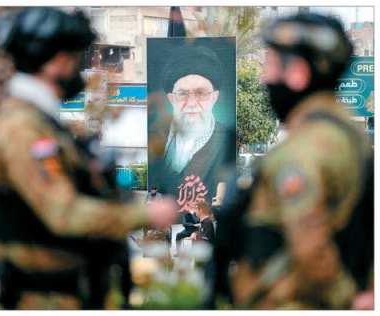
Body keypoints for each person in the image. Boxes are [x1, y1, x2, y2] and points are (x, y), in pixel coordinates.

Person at [0, 7, 176, 309]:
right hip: (42, 298)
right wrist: (147, 215)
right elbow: (64, 214)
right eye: (78, 59)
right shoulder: (22, 128)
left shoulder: (40, 122)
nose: (80, 70)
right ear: (58, 61)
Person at [216, 13, 373, 309]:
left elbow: (310, 249)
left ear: (298, 73)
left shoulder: (302, 151)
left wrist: (349, 301)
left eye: (271, 65)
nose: (264, 78)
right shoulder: (350, 135)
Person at [150, 44, 235, 210]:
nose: (192, 103)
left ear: (214, 98)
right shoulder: (156, 138)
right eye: (183, 94)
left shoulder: (227, 139)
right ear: (171, 98)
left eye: (201, 93)